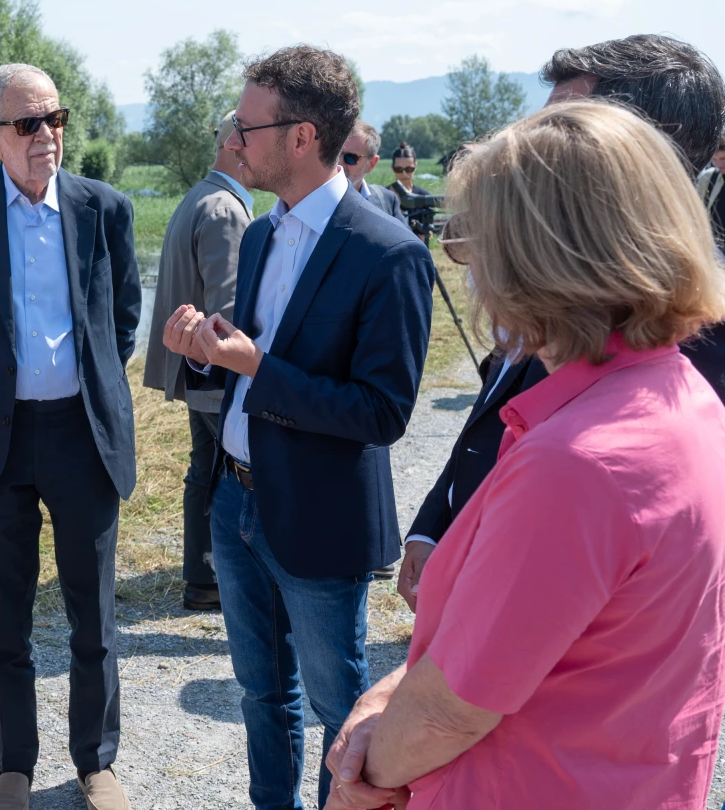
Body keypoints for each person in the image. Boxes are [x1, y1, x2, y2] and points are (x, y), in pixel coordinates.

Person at [324, 100, 725, 810]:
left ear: (534, 260)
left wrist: (359, 780)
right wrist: (392, 692)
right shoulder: (681, 396)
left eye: (474, 241)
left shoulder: (578, 462)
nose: (468, 265)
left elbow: (450, 713)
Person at [161, 44, 435, 810]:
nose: (234, 139)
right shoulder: (259, 234)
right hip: (235, 502)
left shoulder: (389, 255)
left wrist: (256, 366)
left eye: (247, 127)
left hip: (319, 516)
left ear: (303, 137)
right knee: (261, 696)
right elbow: (251, 367)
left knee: (339, 714)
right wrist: (209, 355)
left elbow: (381, 413)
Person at [398, 33, 725, 611]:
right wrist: (435, 525)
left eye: (559, 132)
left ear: (628, 152)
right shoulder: (561, 294)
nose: (528, 152)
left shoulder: (699, 345)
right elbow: (494, 411)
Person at [0, 63, 141, 810]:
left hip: (83, 436)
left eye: (55, 118)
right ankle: (14, 764)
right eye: (27, 123)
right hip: (1, 440)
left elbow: (121, 320)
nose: (46, 134)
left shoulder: (105, 208)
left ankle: (96, 762)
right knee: (4, 617)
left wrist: (85, 381)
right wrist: (4, 387)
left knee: (94, 614)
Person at [141, 110, 252, 613]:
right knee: (232, 474)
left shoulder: (201, 196)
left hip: (196, 369)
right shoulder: (226, 209)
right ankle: (222, 579)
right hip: (216, 374)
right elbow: (227, 310)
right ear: (235, 145)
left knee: (204, 469)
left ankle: (203, 580)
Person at [339, 121, 402, 224]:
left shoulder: (386, 201)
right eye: (335, 155)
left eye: (350, 157)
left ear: (371, 164)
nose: (339, 163)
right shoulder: (312, 198)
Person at [696, 130, 725, 246]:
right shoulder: (708, 177)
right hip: (713, 244)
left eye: (723, 159)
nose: (719, 165)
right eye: (714, 160)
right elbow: (696, 209)